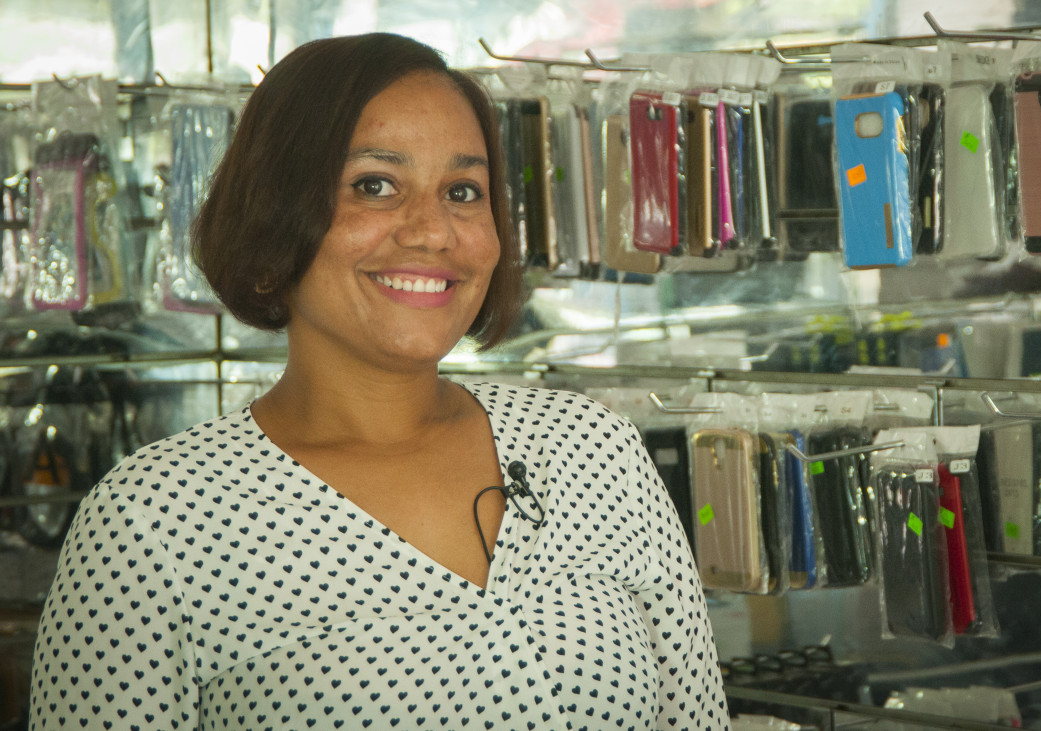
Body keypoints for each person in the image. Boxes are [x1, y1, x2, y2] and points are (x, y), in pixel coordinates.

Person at [28, 32, 728, 730]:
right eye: (375, 185)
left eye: (462, 191)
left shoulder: (593, 450)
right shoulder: (153, 523)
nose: (432, 231)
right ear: (272, 217)